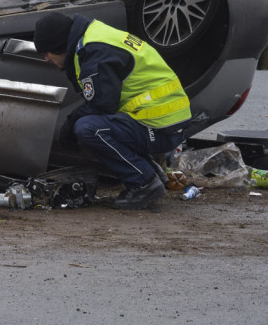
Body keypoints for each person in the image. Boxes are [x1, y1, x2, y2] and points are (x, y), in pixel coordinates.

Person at [34, 12, 191, 210]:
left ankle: (144, 183)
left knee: (89, 128)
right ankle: (152, 173)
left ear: (59, 45)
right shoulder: (94, 35)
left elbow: (102, 104)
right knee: (103, 124)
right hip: (165, 119)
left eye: (47, 52)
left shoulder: (94, 50)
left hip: (160, 123)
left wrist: (70, 123)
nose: (46, 59)